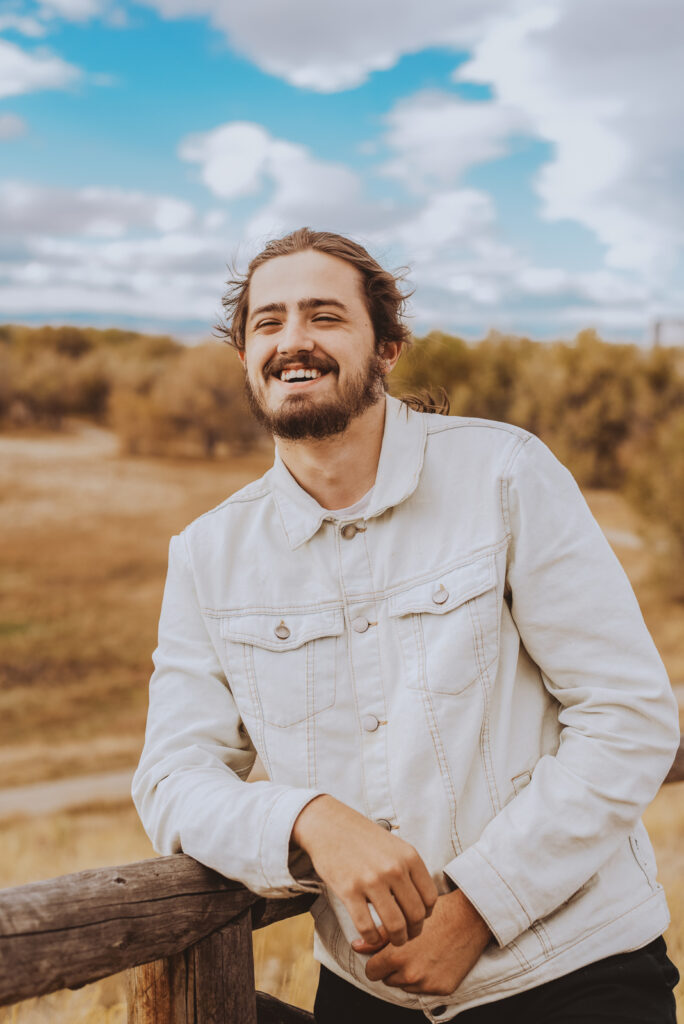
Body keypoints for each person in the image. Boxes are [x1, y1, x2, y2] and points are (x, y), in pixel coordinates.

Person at [132, 228, 680, 1022]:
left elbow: (628, 717)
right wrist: (309, 818)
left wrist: (481, 906)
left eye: (324, 316)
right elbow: (171, 779)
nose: (293, 341)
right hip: (367, 990)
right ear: (246, 355)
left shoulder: (507, 475)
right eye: (268, 322)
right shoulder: (208, 554)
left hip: (577, 974)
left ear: (387, 346)